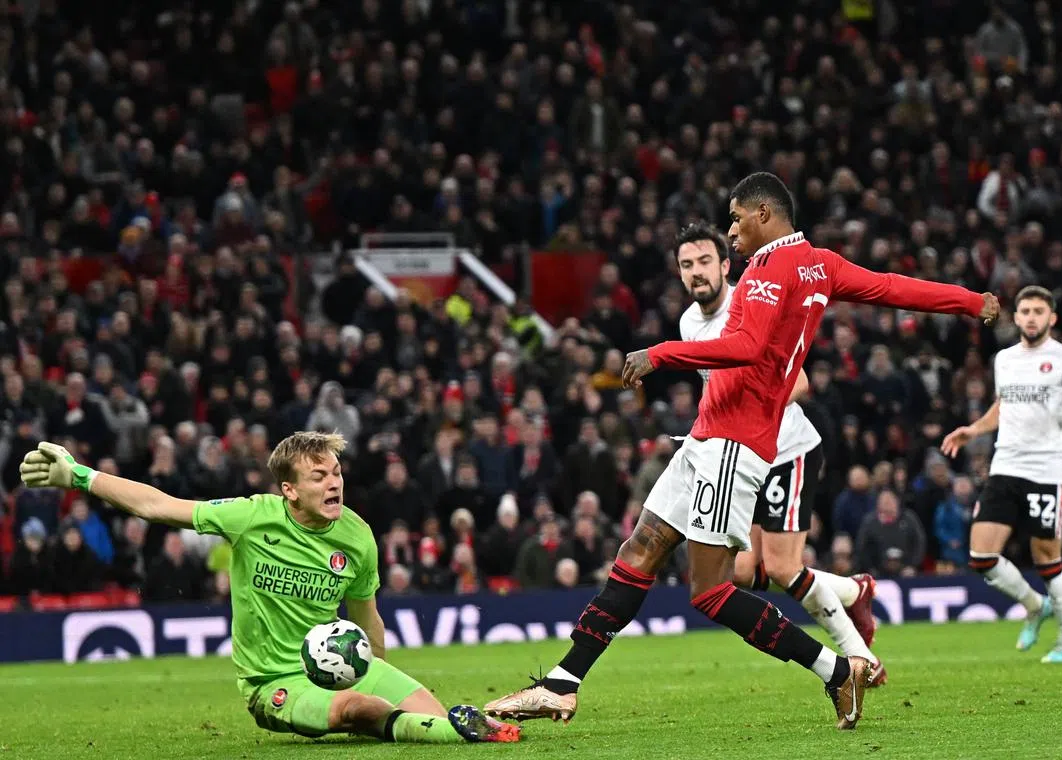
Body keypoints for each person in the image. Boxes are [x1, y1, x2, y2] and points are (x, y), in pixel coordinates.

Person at [485, 172, 997, 731]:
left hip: (734, 443)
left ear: (763, 214)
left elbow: (747, 347)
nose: (731, 231)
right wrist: (971, 302)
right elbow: (894, 287)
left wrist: (662, 353)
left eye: (735, 218)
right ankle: (562, 684)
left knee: (711, 592)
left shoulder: (765, 270)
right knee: (639, 551)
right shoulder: (821, 264)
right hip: (705, 438)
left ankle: (835, 670)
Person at [19, 432, 518, 744]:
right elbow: (158, 505)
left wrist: (377, 671)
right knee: (360, 710)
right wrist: (80, 476)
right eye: (318, 476)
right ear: (288, 489)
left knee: (417, 709)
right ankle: (454, 731)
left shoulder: (357, 535)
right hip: (274, 684)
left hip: (340, 666)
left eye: (337, 473)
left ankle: (452, 728)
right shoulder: (251, 517)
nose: (333, 484)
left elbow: (368, 617)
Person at [674, 221, 885, 685]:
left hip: (787, 450)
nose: (696, 272)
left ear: (726, 265)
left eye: (705, 261)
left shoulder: (752, 302)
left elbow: (802, 381)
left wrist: (755, 410)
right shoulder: (689, 323)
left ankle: (859, 658)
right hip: (739, 457)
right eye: (687, 265)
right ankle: (854, 589)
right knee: (745, 570)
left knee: (785, 566)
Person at [940, 285, 1062, 663]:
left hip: (1046, 469)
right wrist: (974, 429)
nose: (1032, 317)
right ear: (1015, 317)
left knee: (1047, 560)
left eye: (1039, 311)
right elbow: (1004, 406)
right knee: (981, 555)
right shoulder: (1004, 359)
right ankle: (1035, 605)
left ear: (1052, 318)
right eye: (1026, 311)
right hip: (1005, 465)